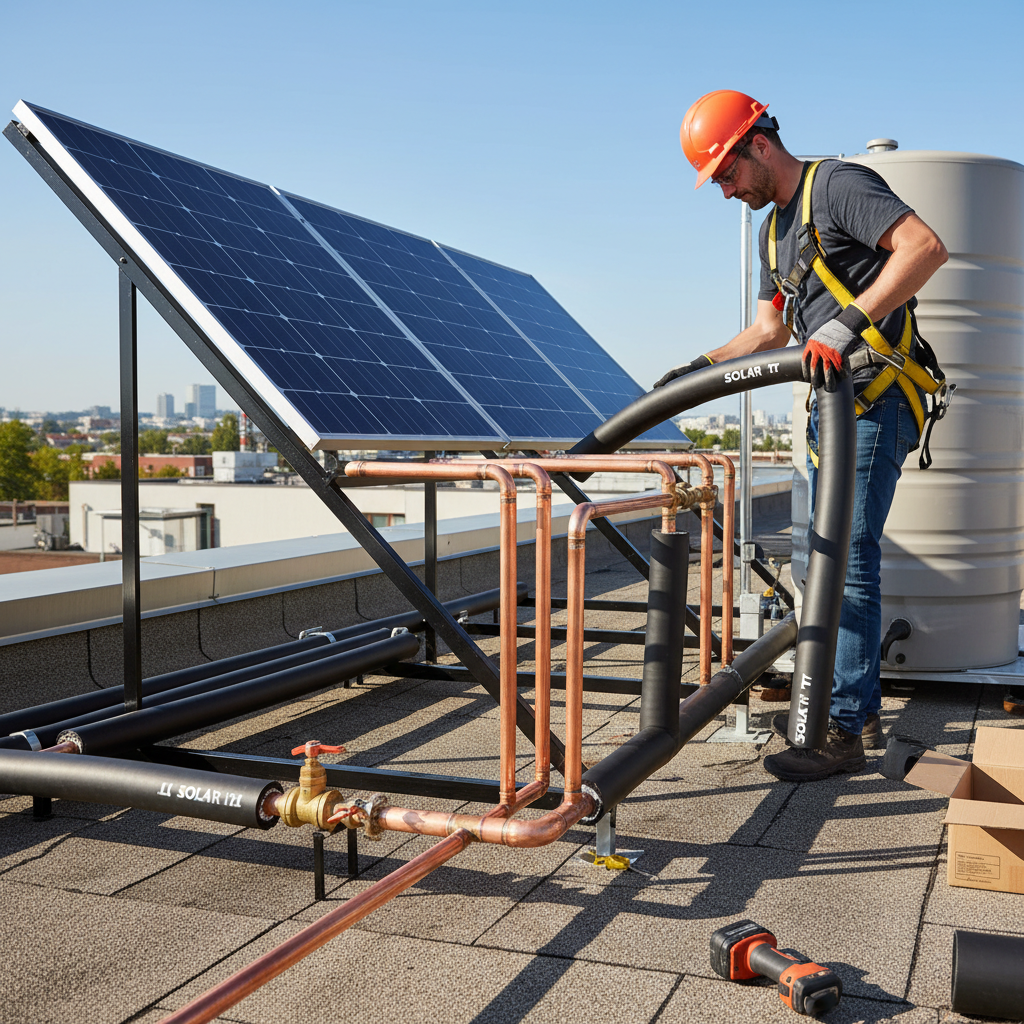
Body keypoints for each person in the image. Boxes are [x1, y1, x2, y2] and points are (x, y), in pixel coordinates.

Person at [655, 90, 948, 781]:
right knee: (821, 558)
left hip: (875, 399)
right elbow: (769, 333)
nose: (725, 192)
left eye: (726, 174)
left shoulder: (838, 186)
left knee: (844, 555)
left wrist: (848, 324)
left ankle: (846, 726)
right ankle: (852, 701)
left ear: (758, 142)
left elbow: (924, 247)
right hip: (833, 415)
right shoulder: (773, 230)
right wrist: (697, 369)